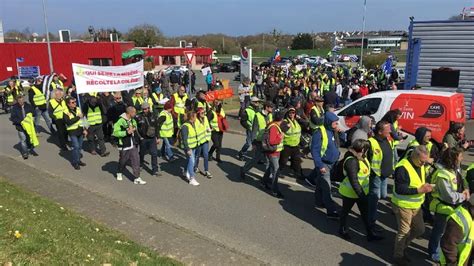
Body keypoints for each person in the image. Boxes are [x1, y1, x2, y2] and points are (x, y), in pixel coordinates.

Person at [392, 145, 433, 265]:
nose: (423, 163)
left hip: (416, 205)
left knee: (420, 229)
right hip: (403, 205)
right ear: (414, 156)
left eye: (425, 161)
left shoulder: (419, 163)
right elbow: (400, 189)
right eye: (421, 161)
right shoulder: (402, 167)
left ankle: (402, 246)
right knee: (404, 231)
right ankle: (398, 256)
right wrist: (419, 190)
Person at [428, 147, 469, 262]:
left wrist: (466, 188)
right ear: (453, 158)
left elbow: (463, 180)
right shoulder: (442, 175)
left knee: (447, 233)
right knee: (439, 232)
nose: (462, 158)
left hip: (453, 207)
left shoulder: (456, 169)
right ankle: (433, 252)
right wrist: (464, 196)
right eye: (460, 156)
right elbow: (449, 196)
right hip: (443, 208)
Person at [338, 139, 384, 241]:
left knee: (365, 214)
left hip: (361, 192)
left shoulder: (362, 158)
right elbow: (354, 181)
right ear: (363, 149)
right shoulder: (352, 161)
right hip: (350, 193)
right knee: (345, 212)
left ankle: (370, 233)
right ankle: (343, 230)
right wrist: (362, 196)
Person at [311, 111, 340, 219]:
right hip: (324, 164)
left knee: (320, 183)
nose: (337, 125)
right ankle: (331, 211)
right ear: (328, 122)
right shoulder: (319, 133)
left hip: (331, 164)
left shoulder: (332, 131)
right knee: (327, 188)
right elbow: (315, 151)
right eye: (335, 123)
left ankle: (318, 201)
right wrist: (320, 165)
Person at [367, 120, 395, 230]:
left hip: (384, 175)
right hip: (376, 176)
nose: (390, 131)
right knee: (374, 199)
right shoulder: (371, 142)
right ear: (379, 132)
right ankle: (371, 222)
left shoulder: (386, 139)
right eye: (387, 130)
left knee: (383, 195)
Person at [113, 106, 146, 185]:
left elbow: (135, 125)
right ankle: (119, 172)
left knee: (136, 160)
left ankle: (137, 177)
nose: (135, 114)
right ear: (130, 113)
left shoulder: (132, 120)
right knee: (123, 160)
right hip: (124, 144)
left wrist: (133, 128)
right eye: (134, 112)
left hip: (132, 143)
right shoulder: (120, 121)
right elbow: (115, 132)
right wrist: (126, 132)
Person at [240, 101, 274, 179]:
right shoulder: (257, 115)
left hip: (268, 141)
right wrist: (253, 143)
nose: (272, 108)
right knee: (256, 159)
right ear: (266, 107)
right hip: (259, 141)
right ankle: (244, 169)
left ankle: (266, 178)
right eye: (271, 107)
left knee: (269, 160)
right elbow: (254, 130)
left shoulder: (270, 115)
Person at [440, 195, 474, 266]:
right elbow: (448, 246)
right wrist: (452, 264)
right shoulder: (459, 220)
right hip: (454, 262)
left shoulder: (471, 215)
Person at [260, 112, 285, 198]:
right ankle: (275, 190)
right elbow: (272, 141)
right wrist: (280, 137)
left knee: (271, 168)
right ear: (281, 119)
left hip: (275, 152)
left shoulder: (274, 125)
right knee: (275, 170)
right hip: (273, 152)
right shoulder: (274, 127)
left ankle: (263, 182)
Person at [10, 95, 39, 159]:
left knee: (29, 139)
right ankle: (25, 153)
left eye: (22, 100)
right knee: (23, 140)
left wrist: (32, 118)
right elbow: (12, 118)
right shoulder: (14, 108)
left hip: (29, 127)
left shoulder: (28, 106)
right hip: (20, 127)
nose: (21, 101)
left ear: (24, 100)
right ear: (17, 101)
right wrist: (21, 122)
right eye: (19, 100)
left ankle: (29, 148)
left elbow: (34, 114)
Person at [136, 102, 161, 177]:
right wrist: (139, 137)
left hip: (152, 138)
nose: (145, 110)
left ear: (149, 108)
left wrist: (158, 137)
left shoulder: (153, 116)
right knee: (142, 153)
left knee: (154, 153)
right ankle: (140, 164)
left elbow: (156, 127)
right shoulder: (138, 117)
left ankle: (155, 170)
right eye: (144, 109)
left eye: (146, 109)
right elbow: (136, 128)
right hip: (143, 138)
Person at [63, 97, 87, 170]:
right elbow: (68, 122)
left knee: (79, 147)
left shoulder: (78, 109)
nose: (75, 103)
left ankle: (78, 160)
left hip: (80, 130)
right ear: (68, 104)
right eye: (72, 102)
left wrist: (85, 128)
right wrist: (78, 117)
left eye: (75, 102)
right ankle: (75, 162)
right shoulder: (65, 112)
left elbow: (83, 119)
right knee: (76, 146)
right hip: (72, 131)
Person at [279, 107, 303, 179]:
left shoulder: (296, 121)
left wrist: (300, 118)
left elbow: (306, 123)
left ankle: (298, 173)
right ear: (288, 114)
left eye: (293, 113)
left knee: (297, 160)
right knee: (283, 160)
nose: (292, 114)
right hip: (287, 145)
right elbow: (282, 129)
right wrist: (287, 126)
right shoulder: (285, 121)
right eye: (290, 113)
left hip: (295, 145)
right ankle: (278, 171)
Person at [180, 111, 200, 186]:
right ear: (192, 117)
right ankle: (192, 178)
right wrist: (188, 149)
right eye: (195, 116)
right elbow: (185, 139)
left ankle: (185, 172)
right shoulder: (185, 126)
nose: (196, 118)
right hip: (189, 148)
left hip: (193, 146)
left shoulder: (192, 124)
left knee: (189, 160)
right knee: (192, 162)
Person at [194, 107, 212, 178]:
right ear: (198, 113)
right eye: (202, 113)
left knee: (206, 155)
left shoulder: (206, 118)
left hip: (205, 140)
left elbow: (207, 126)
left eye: (204, 112)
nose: (204, 114)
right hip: (199, 141)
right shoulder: (195, 120)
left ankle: (206, 170)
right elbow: (197, 131)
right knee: (197, 155)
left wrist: (209, 129)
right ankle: (195, 167)